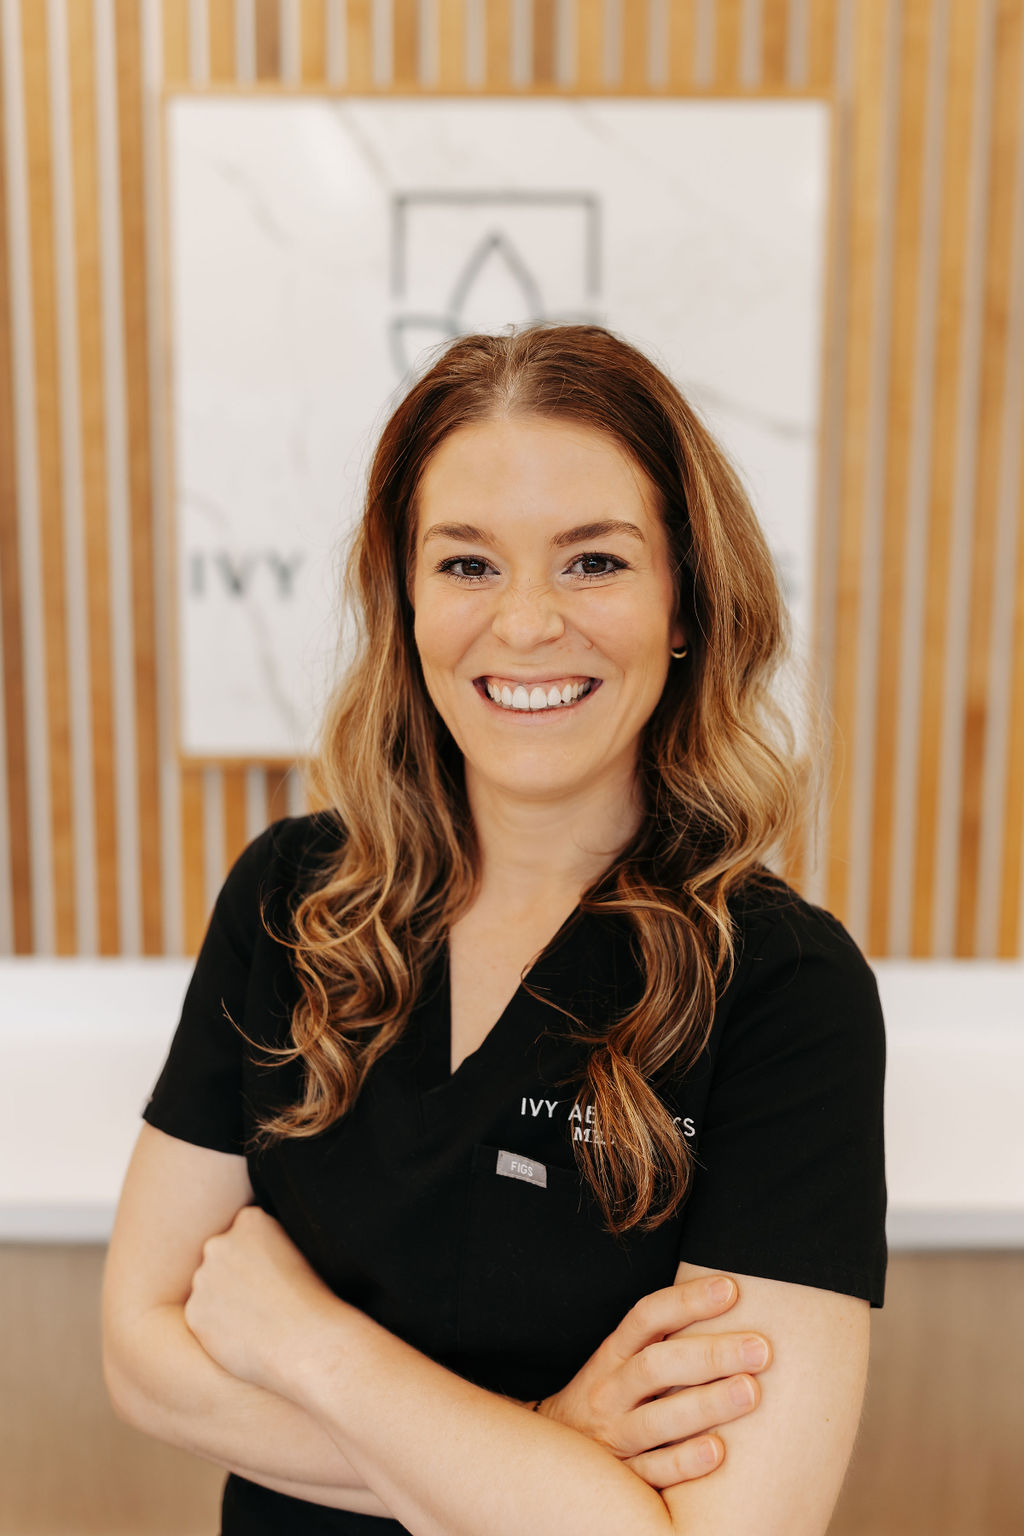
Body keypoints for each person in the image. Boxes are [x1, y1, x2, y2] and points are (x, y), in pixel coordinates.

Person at [101, 323, 886, 1536]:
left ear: (683, 602)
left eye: (593, 564)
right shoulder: (291, 900)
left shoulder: (783, 988)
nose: (525, 625)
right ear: (404, 600)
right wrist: (554, 1451)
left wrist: (306, 1344)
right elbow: (140, 1354)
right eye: (467, 565)